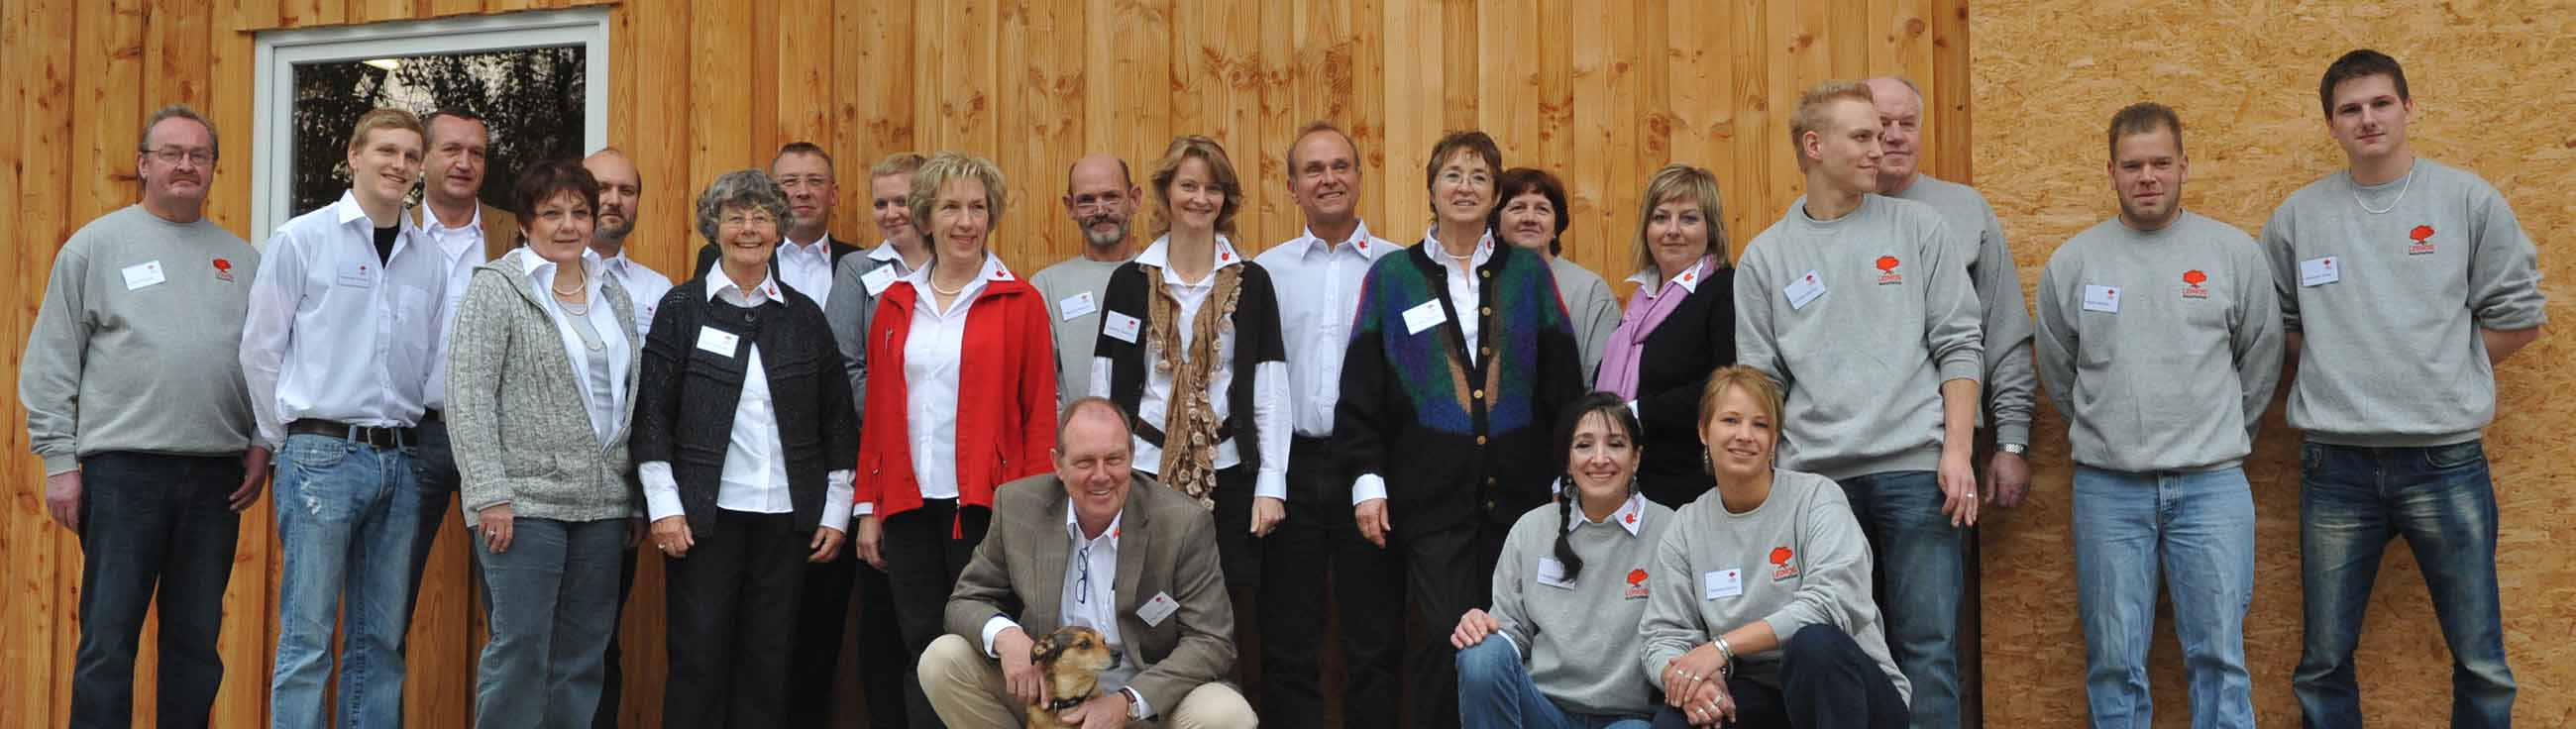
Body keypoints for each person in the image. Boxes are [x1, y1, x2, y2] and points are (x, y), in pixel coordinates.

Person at [2267, 50, 2546, 728]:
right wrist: (2344, 360)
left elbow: (2519, 317)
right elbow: (2274, 327)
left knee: (2480, 658)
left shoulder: (2466, 200)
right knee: (2324, 662)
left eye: (2381, 103)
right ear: (2330, 124)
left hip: (2444, 462)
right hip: (2336, 466)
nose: (2368, 119)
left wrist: (2435, 364)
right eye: (2350, 109)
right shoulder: (2299, 217)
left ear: (2409, 108)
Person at [1732, 80, 1984, 729]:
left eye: (1885, 134)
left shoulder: (1921, 229)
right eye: (1864, 136)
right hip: (1816, 489)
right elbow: (1762, 386)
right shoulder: (1767, 257)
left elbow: (1960, 346)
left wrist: (1957, 451)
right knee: (1831, 650)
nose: (1884, 148)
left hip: (1917, 476)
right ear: (1814, 147)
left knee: (1929, 651)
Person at [2034, 102, 2282, 729]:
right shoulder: (2074, 262)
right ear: (2111, 172)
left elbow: (2260, 362)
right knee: (2115, 662)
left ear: (2184, 167)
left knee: (2220, 659)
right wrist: (2110, 427)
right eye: (2133, 165)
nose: (2148, 176)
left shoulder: (2233, 255)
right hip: (2108, 489)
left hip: (2212, 486)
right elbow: (2060, 371)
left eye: (2161, 163)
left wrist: (2219, 432)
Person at [21, 104, 265, 728]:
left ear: (214, 168)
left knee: (194, 646)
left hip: (216, 477)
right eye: (171, 154)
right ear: (142, 165)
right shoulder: (95, 247)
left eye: (199, 156)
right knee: (108, 643)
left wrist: (263, 442)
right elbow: (52, 361)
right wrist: (58, 462)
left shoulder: (242, 261)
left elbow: (270, 362)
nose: (186, 165)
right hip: (122, 474)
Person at [1337, 129, 1586, 729]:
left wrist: (1567, 482)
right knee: (1440, 646)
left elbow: (1564, 389)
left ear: (1496, 193)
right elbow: (1362, 393)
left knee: (1514, 644)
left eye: (1479, 177)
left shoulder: (1528, 274)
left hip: (1525, 502)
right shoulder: (1392, 276)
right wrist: (1367, 483)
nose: (1465, 187)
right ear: (1431, 189)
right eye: (1452, 175)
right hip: (1428, 502)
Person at [632, 169, 860, 727]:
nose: (749, 229)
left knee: (769, 663)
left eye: (761, 217)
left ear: (780, 229)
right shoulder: (682, 308)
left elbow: (836, 418)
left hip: (786, 521)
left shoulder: (804, 316)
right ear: (715, 229)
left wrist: (835, 509)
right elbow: (653, 413)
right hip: (704, 521)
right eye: (736, 217)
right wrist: (664, 506)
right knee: (699, 661)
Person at [242, 107, 445, 729]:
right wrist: (286, 443)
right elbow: (260, 349)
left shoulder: (427, 259)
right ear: (353, 156)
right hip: (321, 460)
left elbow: (432, 362)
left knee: (380, 642)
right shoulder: (302, 239)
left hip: (402, 462)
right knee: (307, 638)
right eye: (386, 151)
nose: (399, 165)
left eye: (411, 156)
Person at [854, 151, 1060, 725]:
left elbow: (1038, 415)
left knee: (984, 646)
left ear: (991, 216)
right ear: (926, 217)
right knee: (920, 648)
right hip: (908, 507)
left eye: (977, 208)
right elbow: (880, 415)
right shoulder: (896, 304)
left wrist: (1029, 513)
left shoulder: (1020, 301)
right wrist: (870, 507)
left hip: (989, 510)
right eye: (950, 207)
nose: (964, 222)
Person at [445, 159, 643, 728]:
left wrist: (629, 499)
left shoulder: (614, 295)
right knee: (522, 649)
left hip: (602, 507)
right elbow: (468, 396)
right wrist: (489, 495)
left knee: (583, 657)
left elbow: (624, 402)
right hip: (523, 506)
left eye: (579, 212)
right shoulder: (497, 291)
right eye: (552, 213)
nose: (568, 225)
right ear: (527, 221)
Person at [918, 397, 1257, 727]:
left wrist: (1126, 702)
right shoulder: (1018, 505)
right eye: (1084, 462)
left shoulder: (1182, 523)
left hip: (1144, 703)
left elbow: (1211, 640)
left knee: (1225, 714)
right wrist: (1007, 637)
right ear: (1057, 464)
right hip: (1047, 700)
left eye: (1114, 459)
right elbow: (966, 600)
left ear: (1132, 457)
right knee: (943, 660)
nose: (1101, 476)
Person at [1090, 136, 1290, 687]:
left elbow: (1270, 385)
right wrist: (1106, 470)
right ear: (1164, 194)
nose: (1201, 198)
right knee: (1151, 601)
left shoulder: (1252, 283)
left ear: (1226, 199)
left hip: (1228, 472)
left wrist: (1270, 483)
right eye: (1189, 186)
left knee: (1230, 605)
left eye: (1213, 188)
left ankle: (1223, 712)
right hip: (1147, 471)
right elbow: (1105, 385)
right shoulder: (1129, 283)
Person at [1638, 365, 1910, 729]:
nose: (1745, 436)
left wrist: (1720, 649)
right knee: (1673, 724)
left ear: (1774, 439)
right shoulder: (1685, 525)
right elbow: (1662, 634)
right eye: (1731, 420)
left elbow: (1832, 603)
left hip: (1851, 693)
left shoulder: (1816, 498)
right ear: (1704, 431)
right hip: (1758, 694)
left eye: (1761, 425)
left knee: (1813, 645)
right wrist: (1695, 682)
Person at [1252, 121, 1407, 729]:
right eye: (1313, 170)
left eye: (1340, 166)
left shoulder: (1400, 268)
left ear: (1360, 178)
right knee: (1289, 640)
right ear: (1292, 188)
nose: (1329, 179)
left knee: (1374, 639)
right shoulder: (1265, 272)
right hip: (1289, 465)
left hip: (1373, 467)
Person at [1863, 75, 2038, 509]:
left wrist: (2012, 443)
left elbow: (2004, 333)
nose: (1897, 136)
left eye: (1908, 123)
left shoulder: (1965, 210)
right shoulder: (1828, 219)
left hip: (1942, 456)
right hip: (1840, 458)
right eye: (1882, 124)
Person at [1451, 392, 1672, 728]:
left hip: (1627, 717)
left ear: (1636, 458)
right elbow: (1510, 631)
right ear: (1568, 461)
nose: (1599, 458)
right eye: (1584, 445)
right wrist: (1482, 628)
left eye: (1615, 444)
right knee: (1480, 653)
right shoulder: (1532, 528)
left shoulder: (1669, 529)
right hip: (1542, 710)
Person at [823, 150, 932, 729]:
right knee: (887, 622)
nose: (892, 213)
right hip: (884, 466)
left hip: (952, 470)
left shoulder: (963, 263)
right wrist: (909, 418)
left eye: (904, 201)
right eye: (882, 202)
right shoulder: (859, 271)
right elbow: (844, 368)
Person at [409, 109, 517, 648]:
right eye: (451, 149)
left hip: (498, 442)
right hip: (411, 437)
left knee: (511, 612)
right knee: (387, 606)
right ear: (423, 158)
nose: (464, 162)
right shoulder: (391, 228)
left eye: (476, 152)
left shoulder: (513, 233)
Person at [1596, 163, 1737, 509]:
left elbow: (1725, 385)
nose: (1672, 230)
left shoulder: (1725, 291)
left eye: (1688, 218)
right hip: (1628, 483)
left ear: (1711, 229)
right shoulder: (1640, 300)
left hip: (1688, 485)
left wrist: (1635, 411)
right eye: (1661, 218)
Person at [1034, 154, 1143, 411]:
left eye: (1111, 197)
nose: (1100, 210)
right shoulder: (1047, 286)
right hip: (1079, 447)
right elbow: (1040, 389)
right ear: (1070, 207)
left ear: (1135, 199)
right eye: (1087, 201)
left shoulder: (1162, 276)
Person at [1490, 167, 1621, 379]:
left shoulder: (1589, 291)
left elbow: (1601, 385)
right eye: (1517, 208)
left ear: (1555, 228)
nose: (1530, 218)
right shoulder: (1475, 285)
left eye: (1542, 209)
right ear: (1496, 223)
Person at [695, 142, 862, 289]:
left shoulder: (859, 264)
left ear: (833, 194)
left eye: (815, 181)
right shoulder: (719, 256)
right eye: (790, 181)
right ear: (772, 194)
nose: (803, 192)